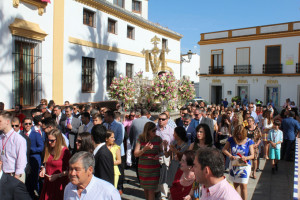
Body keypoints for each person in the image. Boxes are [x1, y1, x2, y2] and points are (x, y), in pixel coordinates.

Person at [222, 125, 254, 200]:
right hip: (234, 164)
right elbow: (224, 149)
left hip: (245, 165)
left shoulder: (249, 141)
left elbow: (252, 155)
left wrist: (246, 157)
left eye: (241, 134)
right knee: (236, 184)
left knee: (243, 184)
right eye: (238, 134)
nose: (239, 136)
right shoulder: (231, 139)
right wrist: (230, 156)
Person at [39, 129, 71, 200]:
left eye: (52, 140)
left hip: (59, 184)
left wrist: (57, 175)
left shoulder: (65, 152)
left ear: (58, 140)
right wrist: (44, 169)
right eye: (48, 140)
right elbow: (46, 163)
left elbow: (70, 170)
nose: (49, 142)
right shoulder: (48, 148)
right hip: (48, 184)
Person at [134, 122, 162, 200]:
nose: (155, 132)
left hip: (154, 168)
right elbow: (136, 154)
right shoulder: (141, 139)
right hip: (143, 168)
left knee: (151, 190)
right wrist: (144, 149)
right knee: (146, 189)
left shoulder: (158, 139)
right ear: (147, 131)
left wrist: (159, 155)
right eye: (153, 130)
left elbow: (162, 152)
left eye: (156, 130)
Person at [0, 111, 27, 183]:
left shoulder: (18, 139)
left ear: (7, 122)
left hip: (14, 175)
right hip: (3, 175)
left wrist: (16, 176)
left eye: (0, 121)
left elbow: (21, 159)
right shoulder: (1, 138)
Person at [103, 110, 125, 194]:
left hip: (117, 151)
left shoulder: (119, 125)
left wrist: (112, 147)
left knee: (119, 171)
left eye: (106, 117)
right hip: (106, 150)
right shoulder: (105, 125)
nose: (104, 118)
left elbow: (120, 139)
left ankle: (119, 187)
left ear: (110, 117)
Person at [23, 117, 44, 198]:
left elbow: (41, 147)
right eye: (26, 124)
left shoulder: (36, 134)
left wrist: (30, 150)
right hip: (24, 161)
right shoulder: (21, 134)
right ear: (23, 124)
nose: (28, 125)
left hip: (34, 160)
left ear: (32, 124)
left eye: (29, 123)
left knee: (35, 181)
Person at [156, 113, 174, 200]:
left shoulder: (170, 130)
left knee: (164, 175)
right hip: (155, 155)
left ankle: (163, 195)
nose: (161, 121)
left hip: (165, 156)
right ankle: (156, 192)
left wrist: (170, 156)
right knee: (156, 175)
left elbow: (173, 144)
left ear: (167, 120)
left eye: (163, 119)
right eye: (159, 119)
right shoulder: (154, 129)